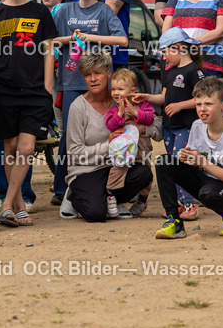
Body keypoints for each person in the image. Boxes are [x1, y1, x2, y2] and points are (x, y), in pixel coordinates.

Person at [0, 0, 57, 227]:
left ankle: (5, 205)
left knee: (26, 149)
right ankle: (19, 204)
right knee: (10, 148)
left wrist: (47, 86)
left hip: (35, 90)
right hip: (3, 90)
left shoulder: (40, 12)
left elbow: (49, 50)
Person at [51, 0, 127, 206]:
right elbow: (49, 40)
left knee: (107, 130)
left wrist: (90, 37)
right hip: (71, 79)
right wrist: (67, 39)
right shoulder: (63, 10)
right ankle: (62, 188)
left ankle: (107, 183)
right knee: (69, 137)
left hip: (101, 81)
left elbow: (122, 40)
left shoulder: (104, 11)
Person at [64, 52, 154, 222]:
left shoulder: (123, 98)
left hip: (116, 166)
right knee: (95, 214)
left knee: (143, 173)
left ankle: (111, 199)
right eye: (87, 75)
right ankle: (74, 196)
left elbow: (156, 126)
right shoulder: (78, 107)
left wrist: (140, 128)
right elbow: (75, 153)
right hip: (87, 170)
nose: (92, 79)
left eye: (97, 73)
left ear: (108, 73)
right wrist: (108, 145)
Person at [154, 76, 223, 238]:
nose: (202, 109)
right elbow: (195, 163)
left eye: (208, 104)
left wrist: (201, 161)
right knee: (164, 161)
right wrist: (187, 158)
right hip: (205, 179)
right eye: (198, 104)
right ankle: (174, 221)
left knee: (208, 194)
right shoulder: (197, 126)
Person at [133, 28, 205, 221]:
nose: (164, 57)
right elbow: (164, 97)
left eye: (165, 52)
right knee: (171, 163)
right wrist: (146, 97)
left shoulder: (194, 72)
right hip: (169, 126)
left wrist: (181, 105)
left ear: (179, 48)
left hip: (186, 126)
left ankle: (190, 203)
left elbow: (202, 99)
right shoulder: (169, 71)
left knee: (181, 163)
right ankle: (179, 204)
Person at [105, 68, 155, 218]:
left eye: (120, 89)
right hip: (124, 149)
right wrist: (120, 114)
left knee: (147, 175)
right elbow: (110, 125)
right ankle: (111, 195)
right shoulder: (113, 109)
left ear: (132, 90)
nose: (116, 92)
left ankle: (142, 201)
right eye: (113, 89)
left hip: (142, 148)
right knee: (117, 170)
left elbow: (150, 118)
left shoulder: (142, 104)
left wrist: (135, 112)